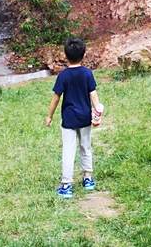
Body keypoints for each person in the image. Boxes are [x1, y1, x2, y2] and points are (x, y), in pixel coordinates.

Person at [45, 36, 102, 198]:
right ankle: (88, 178)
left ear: (65, 55)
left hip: (69, 120)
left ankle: (66, 185)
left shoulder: (63, 76)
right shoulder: (87, 74)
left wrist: (49, 116)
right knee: (86, 147)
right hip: (85, 118)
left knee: (68, 151)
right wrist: (97, 113)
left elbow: (56, 98)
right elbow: (94, 95)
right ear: (83, 54)